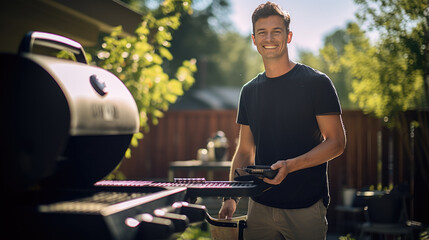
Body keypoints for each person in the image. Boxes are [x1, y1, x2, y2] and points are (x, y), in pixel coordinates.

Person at [218, 2, 346, 239]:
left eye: (276, 31)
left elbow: (337, 142)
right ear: (254, 40)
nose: (269, 38)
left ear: (288, 36)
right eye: (262, 33)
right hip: (259, 208)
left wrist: (290, 165)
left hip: (305, 208)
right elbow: (244, 150)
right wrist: (231, 197)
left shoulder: (317, 83)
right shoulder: (249, 91)